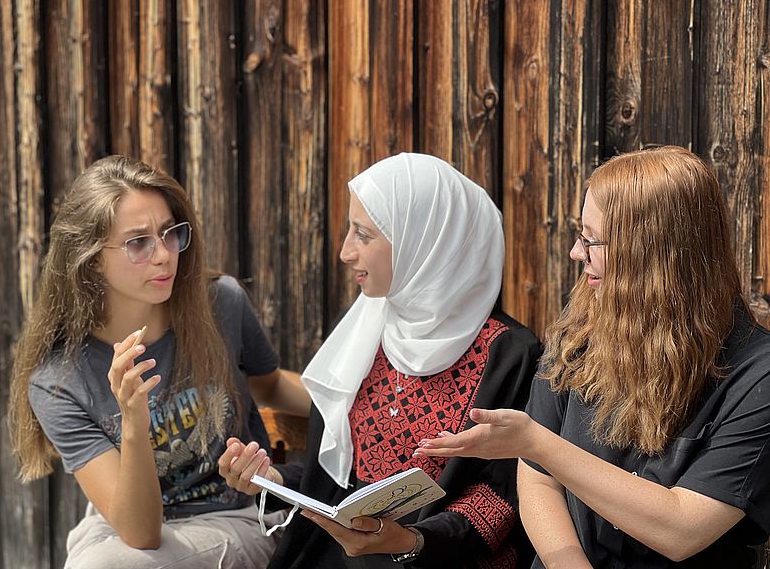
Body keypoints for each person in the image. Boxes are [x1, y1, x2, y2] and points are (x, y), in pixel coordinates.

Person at [415, 146, 770, 568]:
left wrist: (537, 443)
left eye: (591, 239)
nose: (575, 252)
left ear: (652, 253)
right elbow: (537, 478)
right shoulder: (581, 326)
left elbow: (682, 528)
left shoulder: (756, 374)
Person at [219, 152, 543, 568]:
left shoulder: (509, 354)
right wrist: (270, 479)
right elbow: (337, 479)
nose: (345, 252)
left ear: (423, 241)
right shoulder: (367, 328)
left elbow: (500, 502)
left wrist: (410, 542)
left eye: (363, 234)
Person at [8, 155, 310, 569]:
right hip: (122, 526)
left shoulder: (220, 304)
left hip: (233, 516)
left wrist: (364, 405)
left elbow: (270, 386)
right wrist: (133, 420)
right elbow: (141, 532)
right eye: (138, 243)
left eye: (170, 234)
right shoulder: (58, 380)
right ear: (93, 258)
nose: (164, 255)